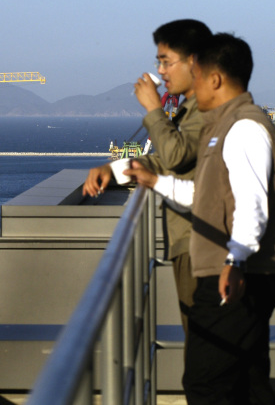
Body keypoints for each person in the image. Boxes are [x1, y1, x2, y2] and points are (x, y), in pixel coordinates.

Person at [127, 33, 275, 404]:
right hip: (235, 268)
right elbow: (209, 198)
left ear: (215, 79)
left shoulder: (244, 127)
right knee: (247, 383)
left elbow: (252, 206)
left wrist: (234, 262)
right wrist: (156, 181)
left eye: (196, 76)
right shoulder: (224, 127)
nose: (188, 87)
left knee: (206, 383)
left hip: (233, 273)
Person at [82, 19, 212, 334]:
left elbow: (176, 155)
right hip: (194, 241)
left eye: (166, 62)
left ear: (193, 61)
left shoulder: (207, 111)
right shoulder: (192, 110)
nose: (161, 71)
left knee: (205, 359)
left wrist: (153, 109)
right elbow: (166, 160)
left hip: (202, 244)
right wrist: (113, 170)